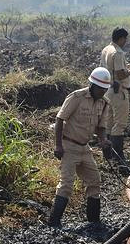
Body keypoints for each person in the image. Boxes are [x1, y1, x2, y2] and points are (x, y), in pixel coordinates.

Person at [48, 67, 112, 227]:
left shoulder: (104, 103)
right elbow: (60, 119)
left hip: (85, 148)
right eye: (100, 89)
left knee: (94, 181)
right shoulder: (77, 97)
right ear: (92, 85)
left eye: (105, 90)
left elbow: (101, 126)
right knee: (66, 184)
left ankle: (94, 221)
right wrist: (58, 145)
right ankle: (54, 222)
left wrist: (103, 140)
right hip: (69, 145)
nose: (102, 93)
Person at [100, 27, 130, 169]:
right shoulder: (118, 53)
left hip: (107, 90)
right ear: (121, 38)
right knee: (120, 123)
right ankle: (118, 157)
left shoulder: (106, 49)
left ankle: (108, 156)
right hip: (118, 91)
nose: (125, 42)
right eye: (125, 39)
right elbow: (121, 75)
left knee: (108, 122)